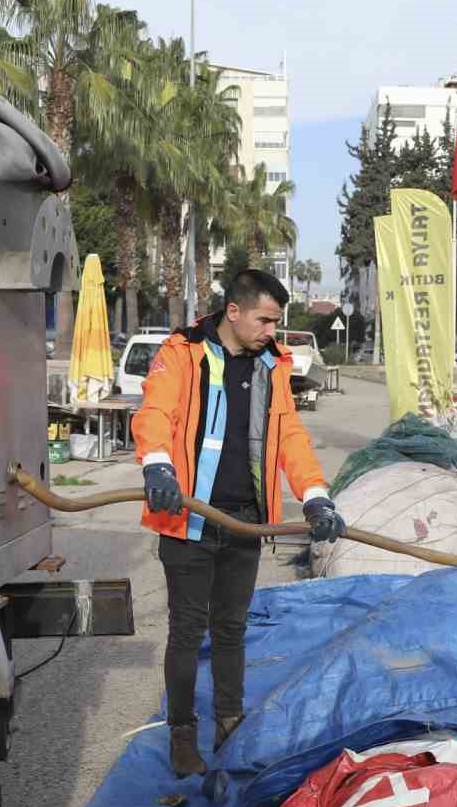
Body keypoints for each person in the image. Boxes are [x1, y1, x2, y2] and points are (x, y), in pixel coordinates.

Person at [132, 269, 345, 778]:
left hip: (246, 522)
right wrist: (157, 464)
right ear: (234, 311)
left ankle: (230, 724)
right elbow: (154, 412)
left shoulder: (272, 364)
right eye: (265, 319)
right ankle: (182, 735)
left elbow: (290, 434)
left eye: (277, 321)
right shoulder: (182, 352)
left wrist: (315, 496)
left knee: (231, 631)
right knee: (187, 633)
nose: (272, 330)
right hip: (188, 518)